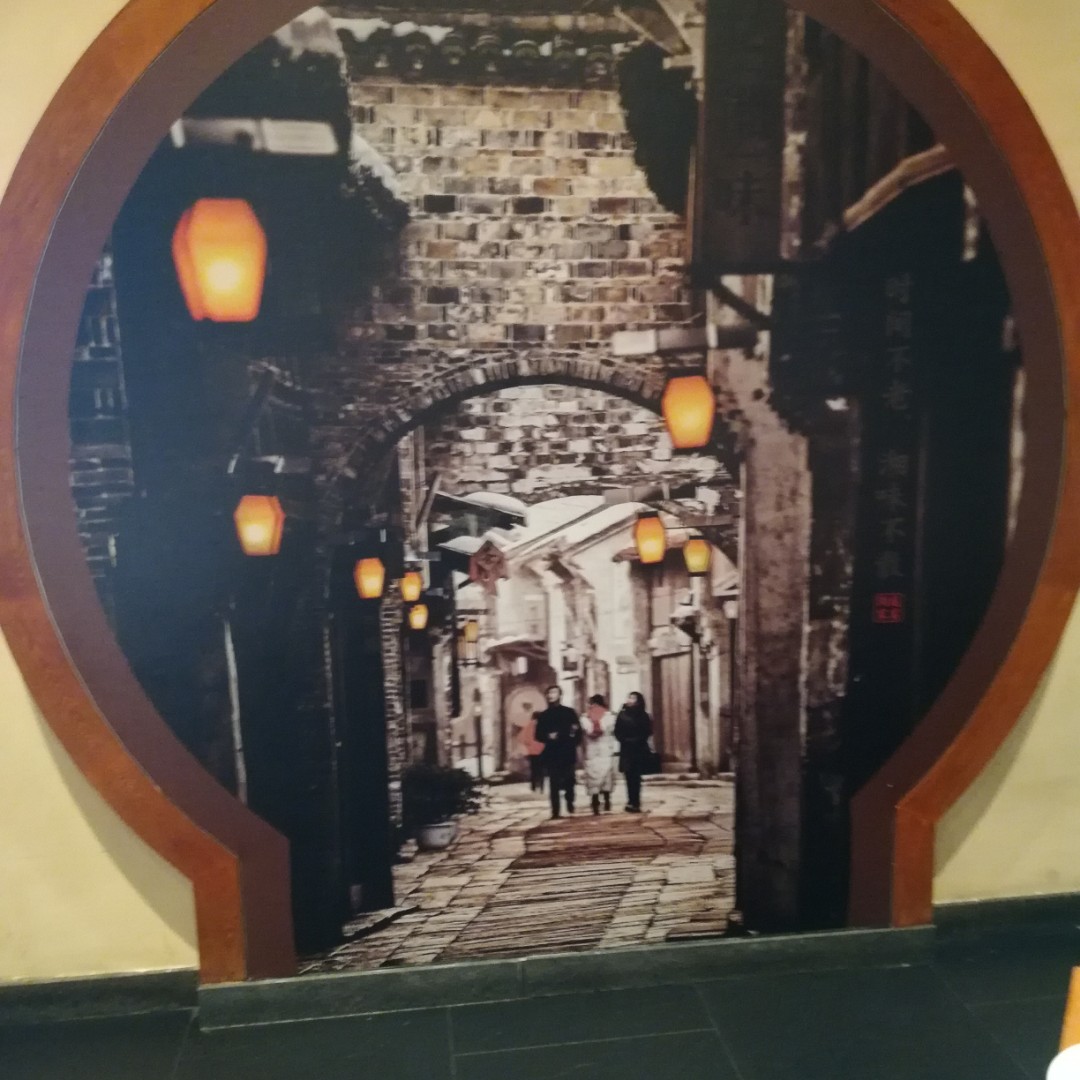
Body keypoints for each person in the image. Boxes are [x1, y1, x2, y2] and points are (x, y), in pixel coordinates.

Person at [533, 685, 582, 818]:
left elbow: (578, 731)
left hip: (567, 751)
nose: (551, 695)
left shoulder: (569, 712)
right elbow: (538, 735)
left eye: (554, 692)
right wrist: (548, 736)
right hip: (552, 752)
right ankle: (555, 810)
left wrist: (573, 741)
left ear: (560, 695)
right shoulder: (544, 715)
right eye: (549, 693)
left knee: (569, 779)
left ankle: (570, 800)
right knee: (553, 782)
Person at [614, 691, 653, 813]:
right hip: (626, 749)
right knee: (628, 776)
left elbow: (647, 731)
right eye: (629, 697)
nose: (630, 700)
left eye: (633, 698)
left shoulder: (644, 715)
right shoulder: (622, 714)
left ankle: (636, 802)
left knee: (636, 776)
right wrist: (624, 740)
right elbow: (617, 731)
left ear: (638, 700)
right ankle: (630, 801)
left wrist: (637, 740)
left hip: (639, 748)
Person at [582, 693, 618, 814]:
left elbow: (588, 731)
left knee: (595, 776)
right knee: (604, 775)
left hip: (595, 749)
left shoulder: (586, 718)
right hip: (602, 749)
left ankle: (598, 800)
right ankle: (603, 800)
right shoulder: (609, 717)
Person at [520, 710, 546, 793]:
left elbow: (522, 738)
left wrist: (528, 744)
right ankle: (541, 787)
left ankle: (533, 786)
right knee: (541, 769)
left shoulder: (528, 725)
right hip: (542, 750)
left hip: (532, 751)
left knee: (534, 769)